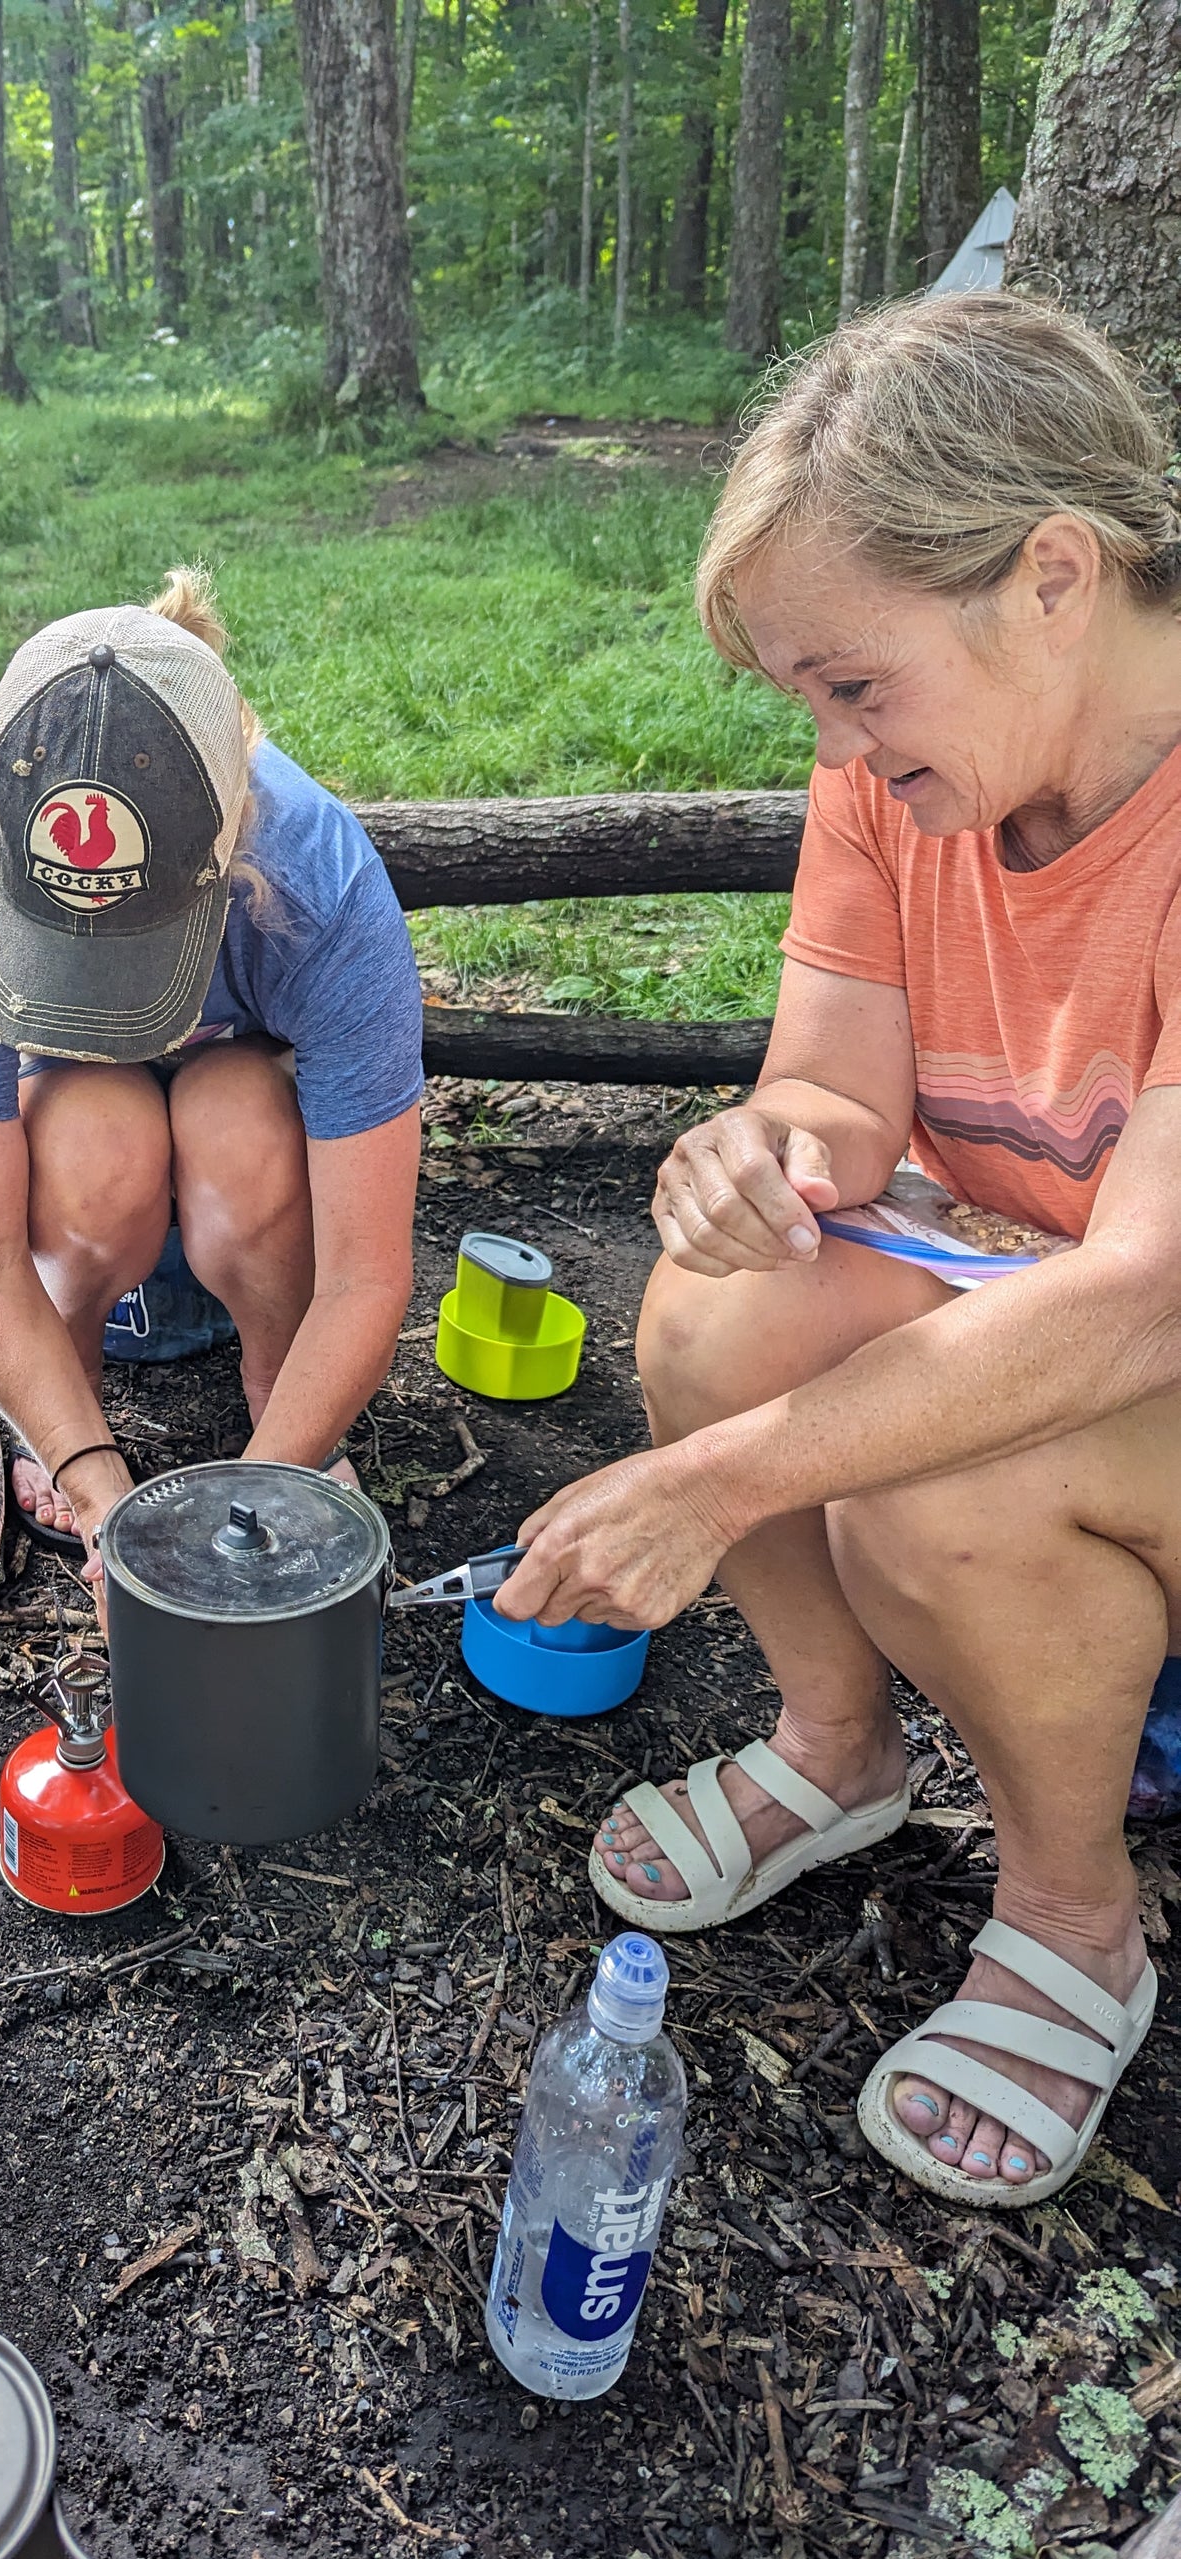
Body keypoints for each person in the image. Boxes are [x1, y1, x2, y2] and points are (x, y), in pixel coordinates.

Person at [490, 295, 1178, 2207]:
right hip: (1043, 1302)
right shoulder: (898, 782)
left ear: (1053, 573)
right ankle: (839, 1744)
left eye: (854, 685)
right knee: (720, 1317)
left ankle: (1072, 1914)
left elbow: (1140, 1298)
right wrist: (757, 1158)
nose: (839, 747)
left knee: (939, 1487)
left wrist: (717, 1488)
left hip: (1135, 1338)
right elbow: (835, 1105)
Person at [0, 570, 423, 1583]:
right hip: (81, 1164)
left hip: (245, 1166)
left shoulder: (318, 884)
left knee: (237, 1110)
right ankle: (63, 1395)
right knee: (98, 1126)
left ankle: (279, 1398)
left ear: (232, 846)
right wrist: (93, 1485)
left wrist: (251, 1506)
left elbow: (365, 1272)